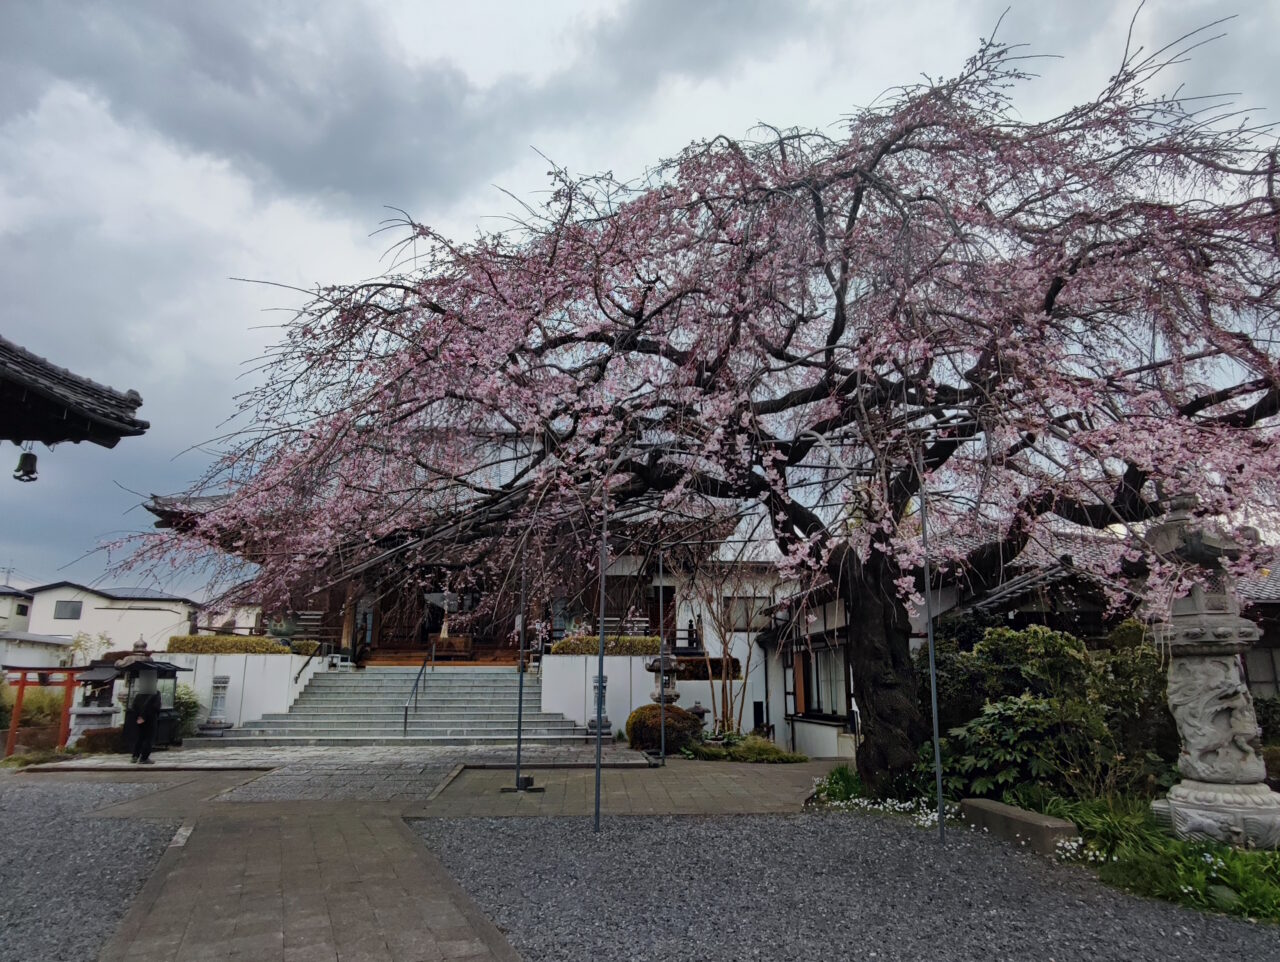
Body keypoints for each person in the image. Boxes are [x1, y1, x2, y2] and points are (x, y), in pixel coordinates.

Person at [128, 672, 162, 765]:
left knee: (140, 738)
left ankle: (134, 756)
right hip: (150, 719)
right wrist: (147, 716)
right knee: (149, 738)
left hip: (139, 719)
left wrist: (138, 717)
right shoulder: (156, 693)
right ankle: (144, 758)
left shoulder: (139, 694)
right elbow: (156, 707)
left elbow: (134, 706)